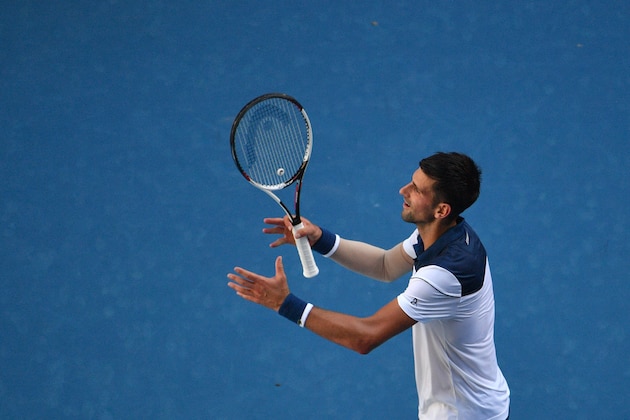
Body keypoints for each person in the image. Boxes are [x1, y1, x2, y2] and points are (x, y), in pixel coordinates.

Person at [227, 152, 510, 419]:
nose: (403, 190)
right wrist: (320, 239)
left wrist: (284, 303)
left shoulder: (443, 274)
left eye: (417, 190)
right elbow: (385, 265)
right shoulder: (445, 232)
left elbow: (365, 337)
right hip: (475, 406)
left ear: (441, 209)